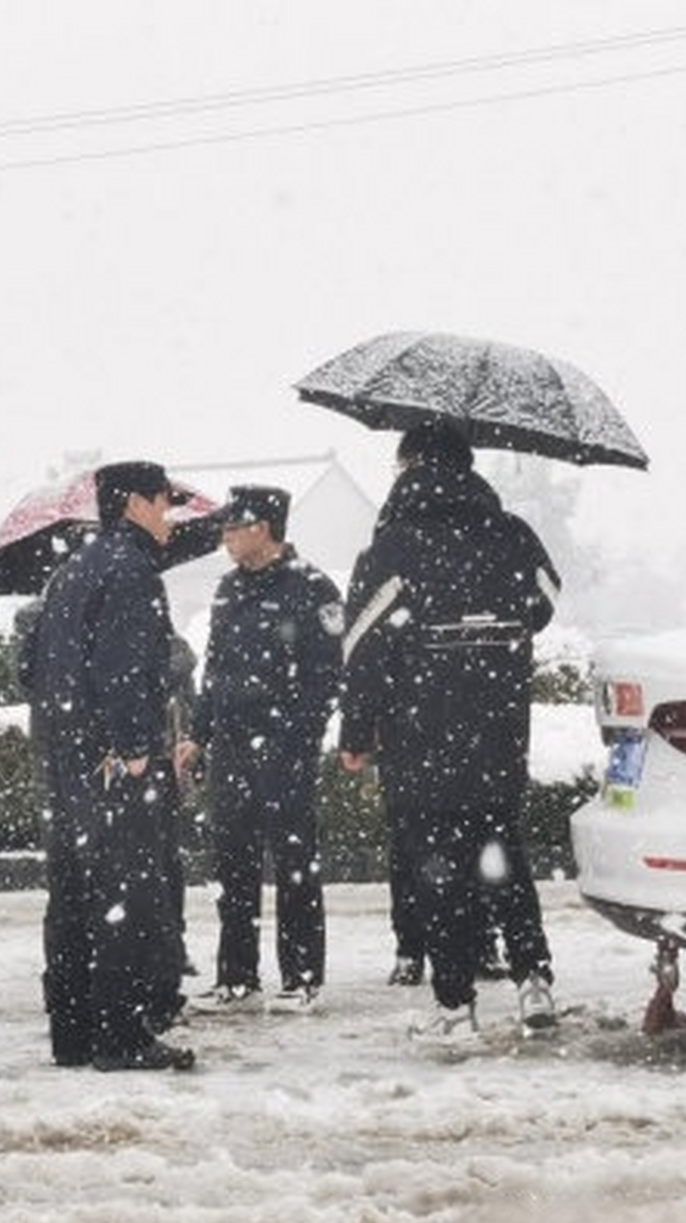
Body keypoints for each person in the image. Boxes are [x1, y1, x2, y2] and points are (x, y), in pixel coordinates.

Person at [337, 421, 562, 1038]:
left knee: (437, 866)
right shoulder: (511, 534)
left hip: (422, 736)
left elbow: (362, 650)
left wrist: (356, 736)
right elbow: (545, 600)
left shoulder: (392, 548)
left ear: (411, 467)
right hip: (497, 730)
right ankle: (532, 978)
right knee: (501, 852)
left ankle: (456, 1002)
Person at [21, 459, 196, 1072]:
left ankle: (71, 1033)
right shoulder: (132, 571)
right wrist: (136, 748)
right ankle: (121, 1035)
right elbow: (123, 670)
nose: (169, 515)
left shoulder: (70, 571)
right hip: (113, 765)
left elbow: (30, 668)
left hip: (65, 762)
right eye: (163, 502)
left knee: (70, 894)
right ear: (135, 505)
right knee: (126, 895)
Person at [174, 486, 343, 1006]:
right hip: (231, 751)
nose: (224, 537)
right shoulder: (228, 590)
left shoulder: (313, 588)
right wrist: (197, 736)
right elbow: (216, 669)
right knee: (233, 868)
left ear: (263, 529)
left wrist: (297, 737)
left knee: (294, 866)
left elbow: (328, 677)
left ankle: (301, 979)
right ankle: (237, 977)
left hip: (284, 751)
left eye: (232, 526)